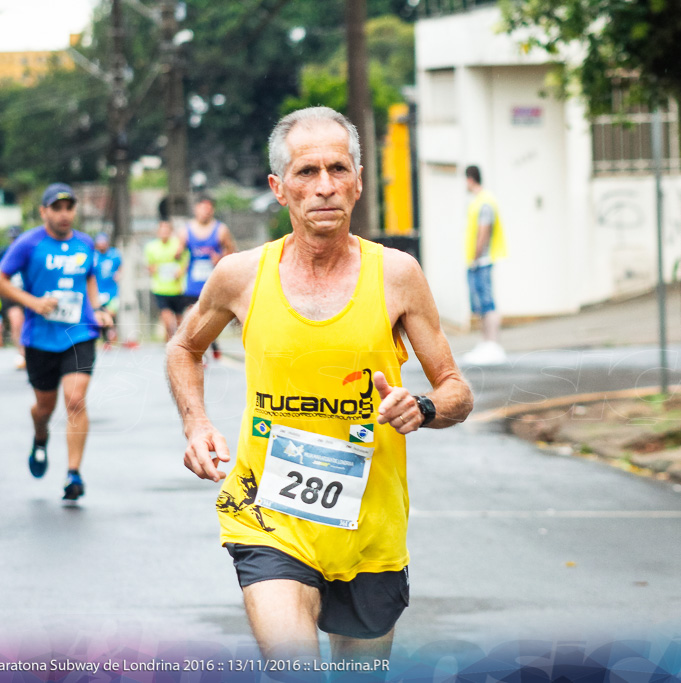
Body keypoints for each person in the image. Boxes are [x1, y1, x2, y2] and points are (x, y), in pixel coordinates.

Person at [165, 107, 473, 664]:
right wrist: (196, 421)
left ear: (358, 183)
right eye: (306, 172)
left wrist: (423, 407)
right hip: (267, 520)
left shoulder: (397, 275)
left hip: (369, 534)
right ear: (279, 189)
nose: (324, 187)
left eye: (338, 169)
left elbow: (456, 390)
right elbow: (184, 347)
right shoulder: (240, 275)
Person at [0, 183, 112, 502]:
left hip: (79, 334)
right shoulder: (28, 243)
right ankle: (40, 436)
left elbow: (89, 277)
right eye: (56, 208)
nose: (64, 214)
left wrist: (98, 309)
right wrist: (31, 302)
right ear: (44, 211)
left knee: (75, 400)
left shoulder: (85, 243)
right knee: (45, 407)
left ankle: (73, 474)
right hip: (41, 339)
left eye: (69, 208)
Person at [179, 195, 236, 359]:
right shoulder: (186, 230)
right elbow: (177, 255)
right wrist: (178, 257)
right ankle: (199, 351)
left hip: (213, 282)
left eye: (209, 209)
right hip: (193, 282)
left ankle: (212, 341)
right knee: (192, 315)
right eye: (203, 208)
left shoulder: (220, 230)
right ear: (196, 209)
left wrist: (219, 259)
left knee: (210, 318)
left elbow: (232, 253)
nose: (206, 212)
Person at [461, 164, 508, 365]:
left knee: (487, 302)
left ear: (470, 179)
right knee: (481, 304)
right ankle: (486, 343)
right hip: (478, 261)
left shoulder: (484, 202)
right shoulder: (480, 201)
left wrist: (475, 256)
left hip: (481, 261)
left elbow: (483, 231)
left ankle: (492, 344)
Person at [144, 219, 189, 341]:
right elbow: (149, 265)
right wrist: (152, 269)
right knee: (168, 320)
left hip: (177, 289)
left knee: (179, 321)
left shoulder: (178, 244)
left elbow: (187, 260)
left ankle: (175, 343)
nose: (164, 233)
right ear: (158, 232)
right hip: (160, 289)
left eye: (166, 230)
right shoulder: (151, 247)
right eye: (161, 230)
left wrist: (181, 271)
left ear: (171, 231)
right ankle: (170, 343)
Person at [0, 226, 28, 368]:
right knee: (16, 321)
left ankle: (29, 352)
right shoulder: (2, 253)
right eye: (13, 239)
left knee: (27, 323)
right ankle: (21, 354)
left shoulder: (28, 252)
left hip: (27, 293)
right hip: (10, 293)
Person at [92, 232, 122, 348]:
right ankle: (107, 340)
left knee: (110, 313)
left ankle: (112, 332)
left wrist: (119, 274)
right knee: (101, 315)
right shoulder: (94, 256)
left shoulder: (114, 254)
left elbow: (120, 267)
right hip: (99, 292)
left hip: (112, 291)